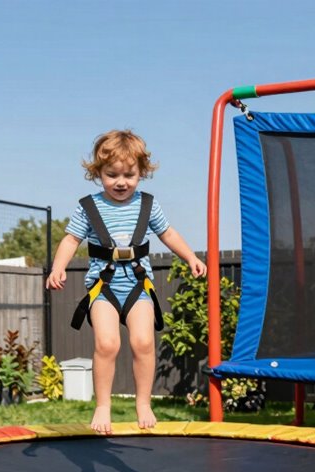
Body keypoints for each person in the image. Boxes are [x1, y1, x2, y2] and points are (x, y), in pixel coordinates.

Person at [47, 129, 207, 435]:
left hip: (138, 286)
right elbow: (70, 240)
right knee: (107, 344)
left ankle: (143, 403)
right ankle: (103, 406)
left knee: (143, 342)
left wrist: (190, 257)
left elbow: (167, 233)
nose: (121, 182)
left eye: (129, 175)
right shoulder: (89, 207)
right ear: (98, 173)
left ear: (141, 173)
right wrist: (58, 268)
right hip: (103, 288)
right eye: (112, 175)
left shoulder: (147, 205)